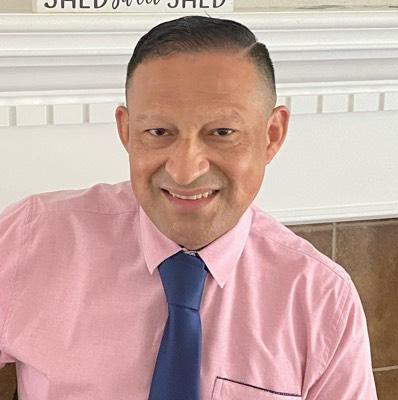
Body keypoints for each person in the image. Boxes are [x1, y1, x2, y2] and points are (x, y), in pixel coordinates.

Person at [0, 15, 377, 400]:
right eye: (159, 132)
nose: (185, 171)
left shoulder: (322, 300)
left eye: (222, 132)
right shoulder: (31, 239)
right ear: (127, 132)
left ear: (272, 134)